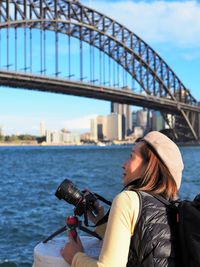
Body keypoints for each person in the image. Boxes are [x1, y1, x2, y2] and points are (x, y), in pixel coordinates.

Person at [61, 131, 184, 267]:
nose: (123, 164)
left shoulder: (128, 200)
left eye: (131, 157)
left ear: (149, 167)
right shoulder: (173, 206)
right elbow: (142, 246)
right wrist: (100, 220)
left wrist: (75, 257)